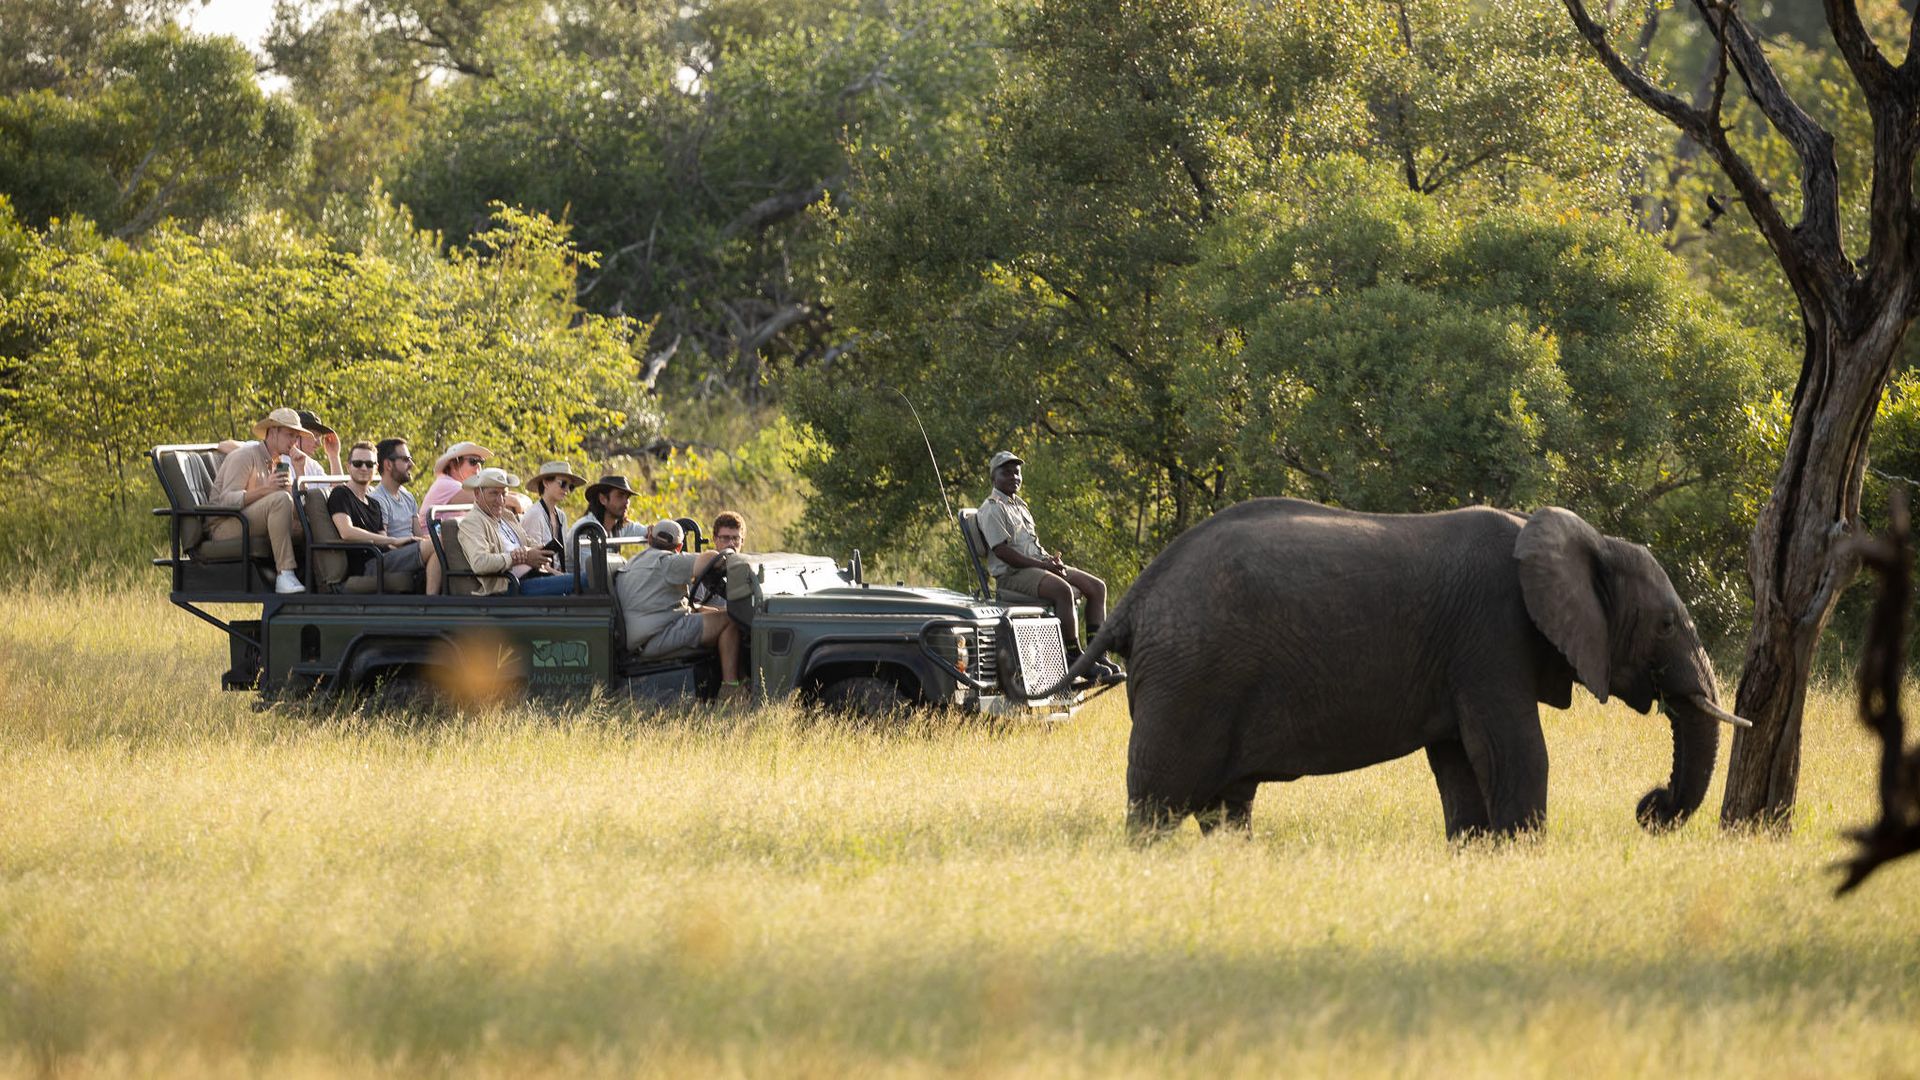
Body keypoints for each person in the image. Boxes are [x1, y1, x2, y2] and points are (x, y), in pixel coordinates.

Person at [976, 450, 1119, 682]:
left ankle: (1097, 653)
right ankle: (1074, 657)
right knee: (1062, 590)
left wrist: (1052, 562)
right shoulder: (992, 508)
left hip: (1038, 566)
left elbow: (1031, 545)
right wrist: (1043, 567)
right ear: (994, 477)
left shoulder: (1019, 505)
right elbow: (1004, 553)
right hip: (1013, 574)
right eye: (1006, 473)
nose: (1014, 477)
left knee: (1097, 587)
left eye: (1017, 472)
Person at [616, 518, 744, 701]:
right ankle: (732, 690)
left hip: (644, 637)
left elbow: (665, 603)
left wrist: (703, 609)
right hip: (657, 638)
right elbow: (711, 560)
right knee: (731, 619)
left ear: (650, 539)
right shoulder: (668, 562)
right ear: (679, 547)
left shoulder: (633, 562)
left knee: (717, 614)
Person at [206, 407, 309, 594]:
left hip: (249, 522)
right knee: (280, 500)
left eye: (296, 436)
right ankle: (285, 573)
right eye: (290, 435)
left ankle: (316, 580)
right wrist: (266, 490)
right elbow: (226, 501)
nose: (294, 442)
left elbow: (297, 509)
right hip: (225, 525)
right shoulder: (245, 455)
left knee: (305, 522)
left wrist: (300, 471)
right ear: (273, 432)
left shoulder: (279, 464)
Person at [454, 467, 574, 597]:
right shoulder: (473, 522)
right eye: (494, 493)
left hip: (534, 575)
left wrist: (539, 552)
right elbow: (480, 563)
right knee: (585, 580)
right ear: (477, 494)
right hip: (510, 586)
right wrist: (518, 558)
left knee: (584, 580)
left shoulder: (507, 516)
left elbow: (528, 541)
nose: (500, 500)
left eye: (504, 494)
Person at [327, 440, 425, 586]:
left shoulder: (373, 504)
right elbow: (346, 532)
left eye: (369, 464)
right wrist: (393, 540)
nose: (364, 468)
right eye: (358, 463)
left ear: (376, 467)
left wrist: (408, 544)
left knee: (436, 547)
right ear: (348, 467)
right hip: (367, 566)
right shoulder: (341, 494)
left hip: (383, 557)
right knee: (436, 546)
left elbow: (382, 540)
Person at [419, 440, 490, 594]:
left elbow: (498, 499)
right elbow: (489, 500)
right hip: (430, 542)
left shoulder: (460, 487)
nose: (478, 467)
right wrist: (510, 498)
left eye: (481, 462)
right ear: (454, 464)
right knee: (443, 542)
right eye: (473, 461)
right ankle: (432, 598)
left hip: (449, 540)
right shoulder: (448, 484)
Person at [565, 474, 645, 567]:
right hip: (577, 580)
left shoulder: (620, 525)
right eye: (620, 495)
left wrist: (654, 531)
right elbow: (593, 571)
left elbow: (651, 531)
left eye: (628, 497)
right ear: (603, 499)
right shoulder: (587, 529)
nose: (626, 501)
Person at [521, 461, 586, 570]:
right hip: (538, 577)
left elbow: (563, 557)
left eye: (570, 487)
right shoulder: (534, 515)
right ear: (546, 483)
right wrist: (562, 577)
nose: (567, 490)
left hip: (554, 576)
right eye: (563, 483)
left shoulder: (561, 516)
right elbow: (536, 561)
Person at [688, 509, 745, 609]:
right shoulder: (705, 568)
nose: (731, 544)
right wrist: (724, 613)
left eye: (736, 538)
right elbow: (692, 608)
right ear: (715, 539)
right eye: (725, 538)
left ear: (742, 541)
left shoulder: (748, 569)